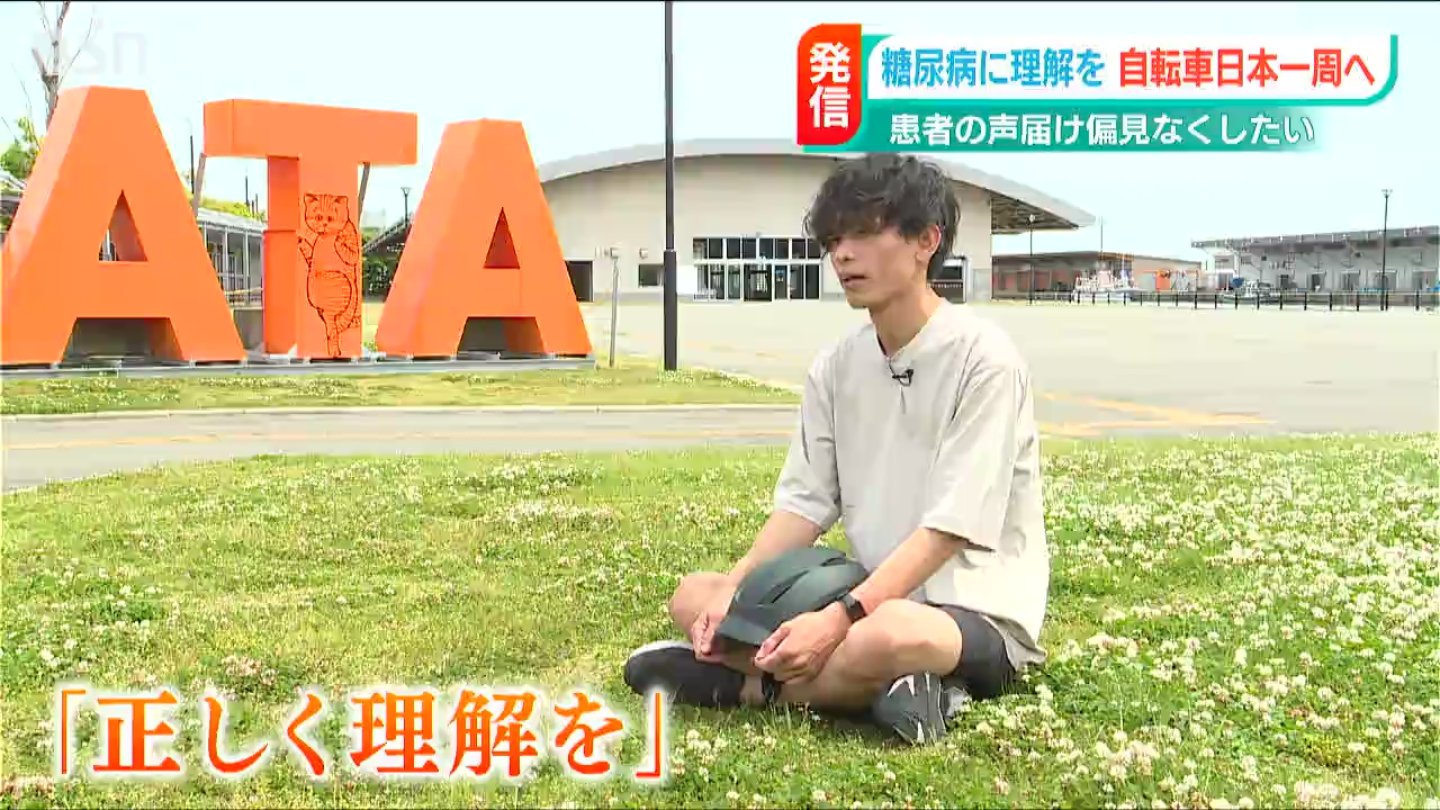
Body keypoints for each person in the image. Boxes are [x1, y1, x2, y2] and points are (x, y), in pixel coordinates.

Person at [623, 152, 1050, 745]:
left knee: (891, 634)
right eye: (834, 240)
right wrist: (733, 590)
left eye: (864, 234)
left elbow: (949, 528)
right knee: (695, 595)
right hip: (866, 590)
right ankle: (895, 692)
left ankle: (743, 687)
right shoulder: (837, 365)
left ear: (926, 241)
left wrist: (838, 618)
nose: (843, 254)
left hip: (973, 613)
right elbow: (804, 504)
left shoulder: (985, 359)